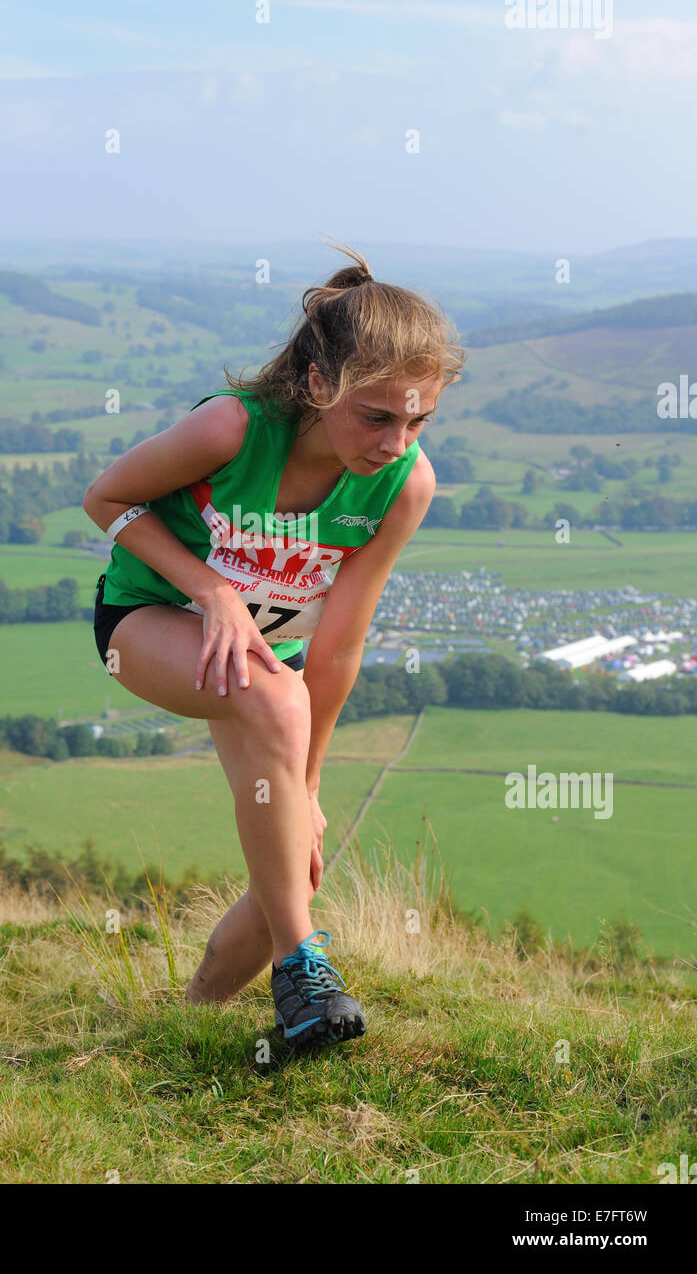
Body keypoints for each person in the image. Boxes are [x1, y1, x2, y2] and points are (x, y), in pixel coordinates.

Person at [83, 246, 464, 1046]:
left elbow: (339, 644)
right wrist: (210, 590)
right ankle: (304, 967)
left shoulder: (404, 484)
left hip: (268, 665)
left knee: (295, 862)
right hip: (147, 622)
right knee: (277, 703)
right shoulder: (231, 427)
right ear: (319, 385)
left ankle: (194, 1024)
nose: (396, 442)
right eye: (377, 416)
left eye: (417, 419)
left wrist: (309, 784)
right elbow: (106, 497)